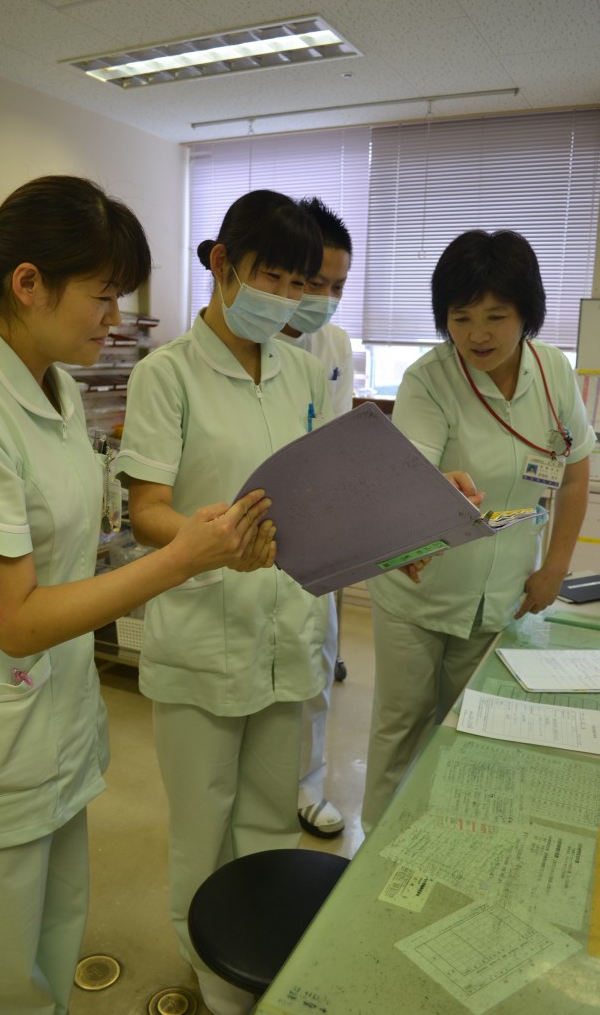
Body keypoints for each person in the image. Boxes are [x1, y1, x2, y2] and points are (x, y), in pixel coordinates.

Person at [0, 175, 272, 1015]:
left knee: (55, 934)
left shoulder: (60, 389)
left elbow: (78, 553)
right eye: (103, 295)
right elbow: (13, 619)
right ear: (28, 283)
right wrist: (185, 558)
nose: (114, 318)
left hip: (60, 716)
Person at [114, 189, 332, 1015]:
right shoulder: (164, 373)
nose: (284, 296)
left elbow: (328, 489)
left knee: (271, 819)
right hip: (204, 631)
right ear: (221, 265)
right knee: (203, 830)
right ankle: (211, 984)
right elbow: (147, 509)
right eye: (269, 276)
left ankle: (262, 973)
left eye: (295, 282)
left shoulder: (305, 371)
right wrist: (215, 539)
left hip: (287, 626)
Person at [362, 229, 595, 833]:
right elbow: (410, 473)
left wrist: (554, 568)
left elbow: (574, 474)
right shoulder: (429, 379)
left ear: (527, 313)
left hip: (508, 593)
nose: (477, 334)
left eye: (496, 315)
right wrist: (439, 487)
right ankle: (376, 858)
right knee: (402, 729)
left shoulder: (553, 374)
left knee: (475, 726)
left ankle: (450, 842)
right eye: (461, 317)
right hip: (422, 592)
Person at [275, 196, 353, 838]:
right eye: (314, 282)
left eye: (338, 286)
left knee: (316, 669)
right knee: (260, 683)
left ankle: (307, 787)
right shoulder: (249, 341)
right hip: (248, 535)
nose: (324, 298)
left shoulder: (333, 343)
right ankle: (263, 791)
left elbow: (338, 440)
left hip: (316, 534)